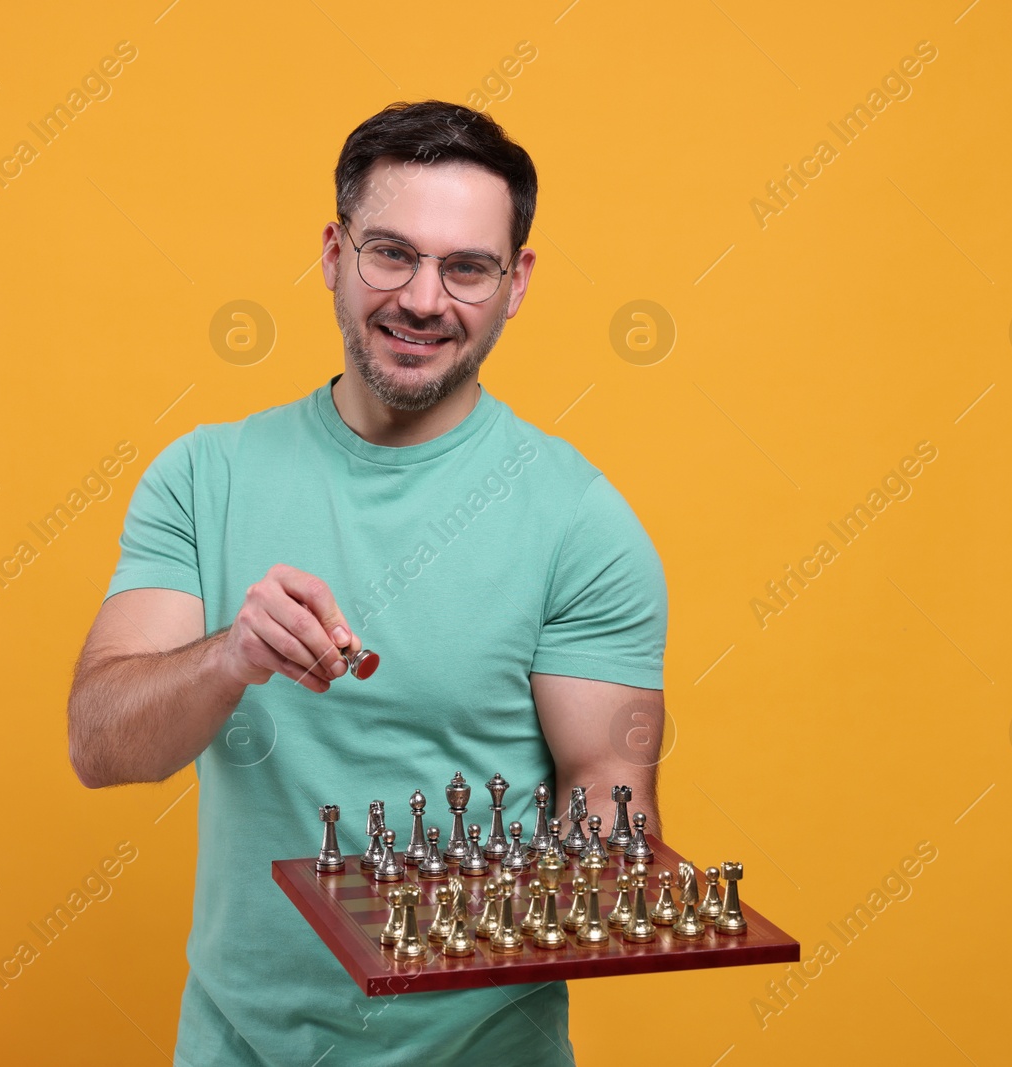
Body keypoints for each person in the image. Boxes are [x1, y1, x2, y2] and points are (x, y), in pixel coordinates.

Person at [67, 99, 668, 1066]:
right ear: (334, 254)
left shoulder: (580, 520)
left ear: (515, 284)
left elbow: (607, 794)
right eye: (391, 252)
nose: (424, 300)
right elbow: (101, 744)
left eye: (466, 266)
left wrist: (608, 877)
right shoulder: (203, 474)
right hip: (236, 1044)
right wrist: (232, 654)